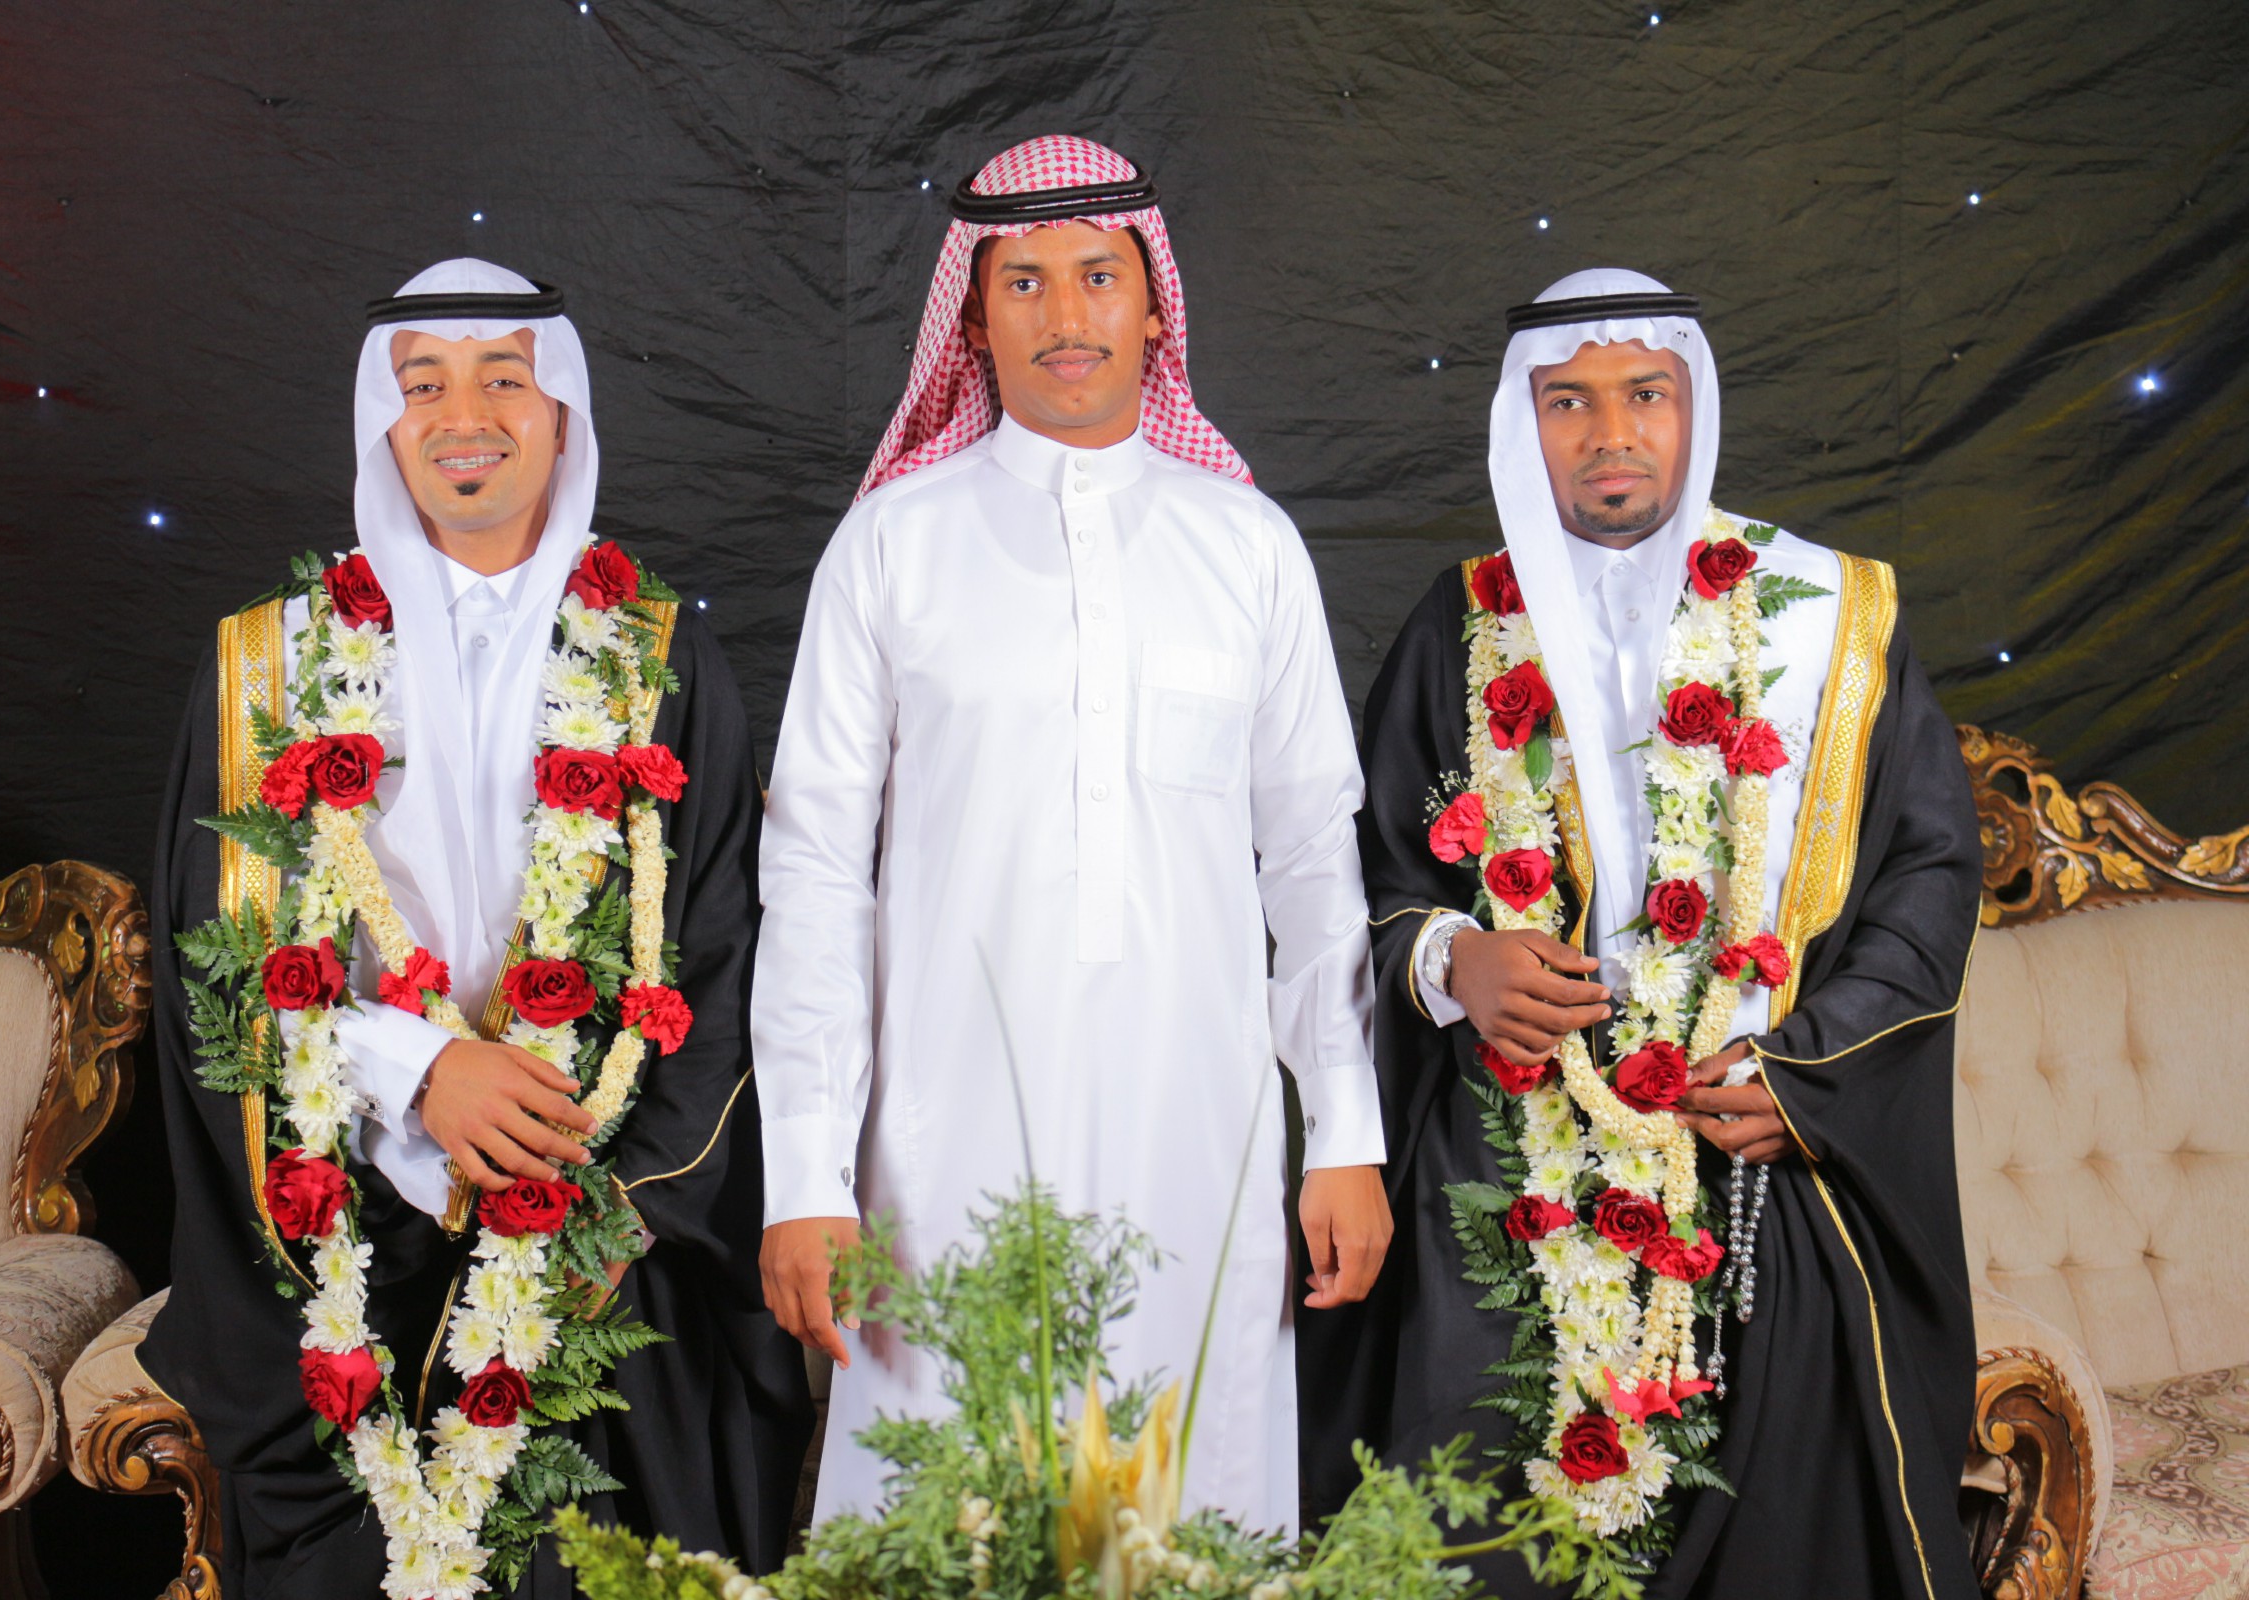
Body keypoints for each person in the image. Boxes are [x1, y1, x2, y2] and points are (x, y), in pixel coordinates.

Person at [1302, 268, 1984, 1598]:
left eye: (1644, 395)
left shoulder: (1828, 615)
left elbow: (1929, 877)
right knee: (1464, 1523)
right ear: (1525, 422)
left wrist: (1811, 1071)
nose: (1610, 434)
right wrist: (1453, 961)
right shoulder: (1460, 621)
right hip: (1507, 1153)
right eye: (1568, 402)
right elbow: (1361, 878)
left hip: (1755, 1141)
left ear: (1693, 408)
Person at [141, 258, 810, 1596]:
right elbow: (217, 967)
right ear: (381, 425)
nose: (465, 416)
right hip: (345, 1209)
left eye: (505, 378)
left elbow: (725, 961)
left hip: (604, 1225)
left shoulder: (661, 665)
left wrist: (596, 1200)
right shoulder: (269, 666)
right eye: (424, 385)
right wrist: (422, 1071)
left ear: (562, 414)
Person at [752, 135, 1391, 1531]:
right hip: (939, 1141)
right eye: (1024, 282)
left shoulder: (1248, 546)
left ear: (1154, 305)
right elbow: (813, 874)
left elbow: (1311, 862)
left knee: (1189, 1508)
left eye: (1099, 275)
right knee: (941, 1516)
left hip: (1200, 1135)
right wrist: (805, 1172)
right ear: (973, 318)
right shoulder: (892, 546)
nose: (1065, 315)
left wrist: (1347, 1133)